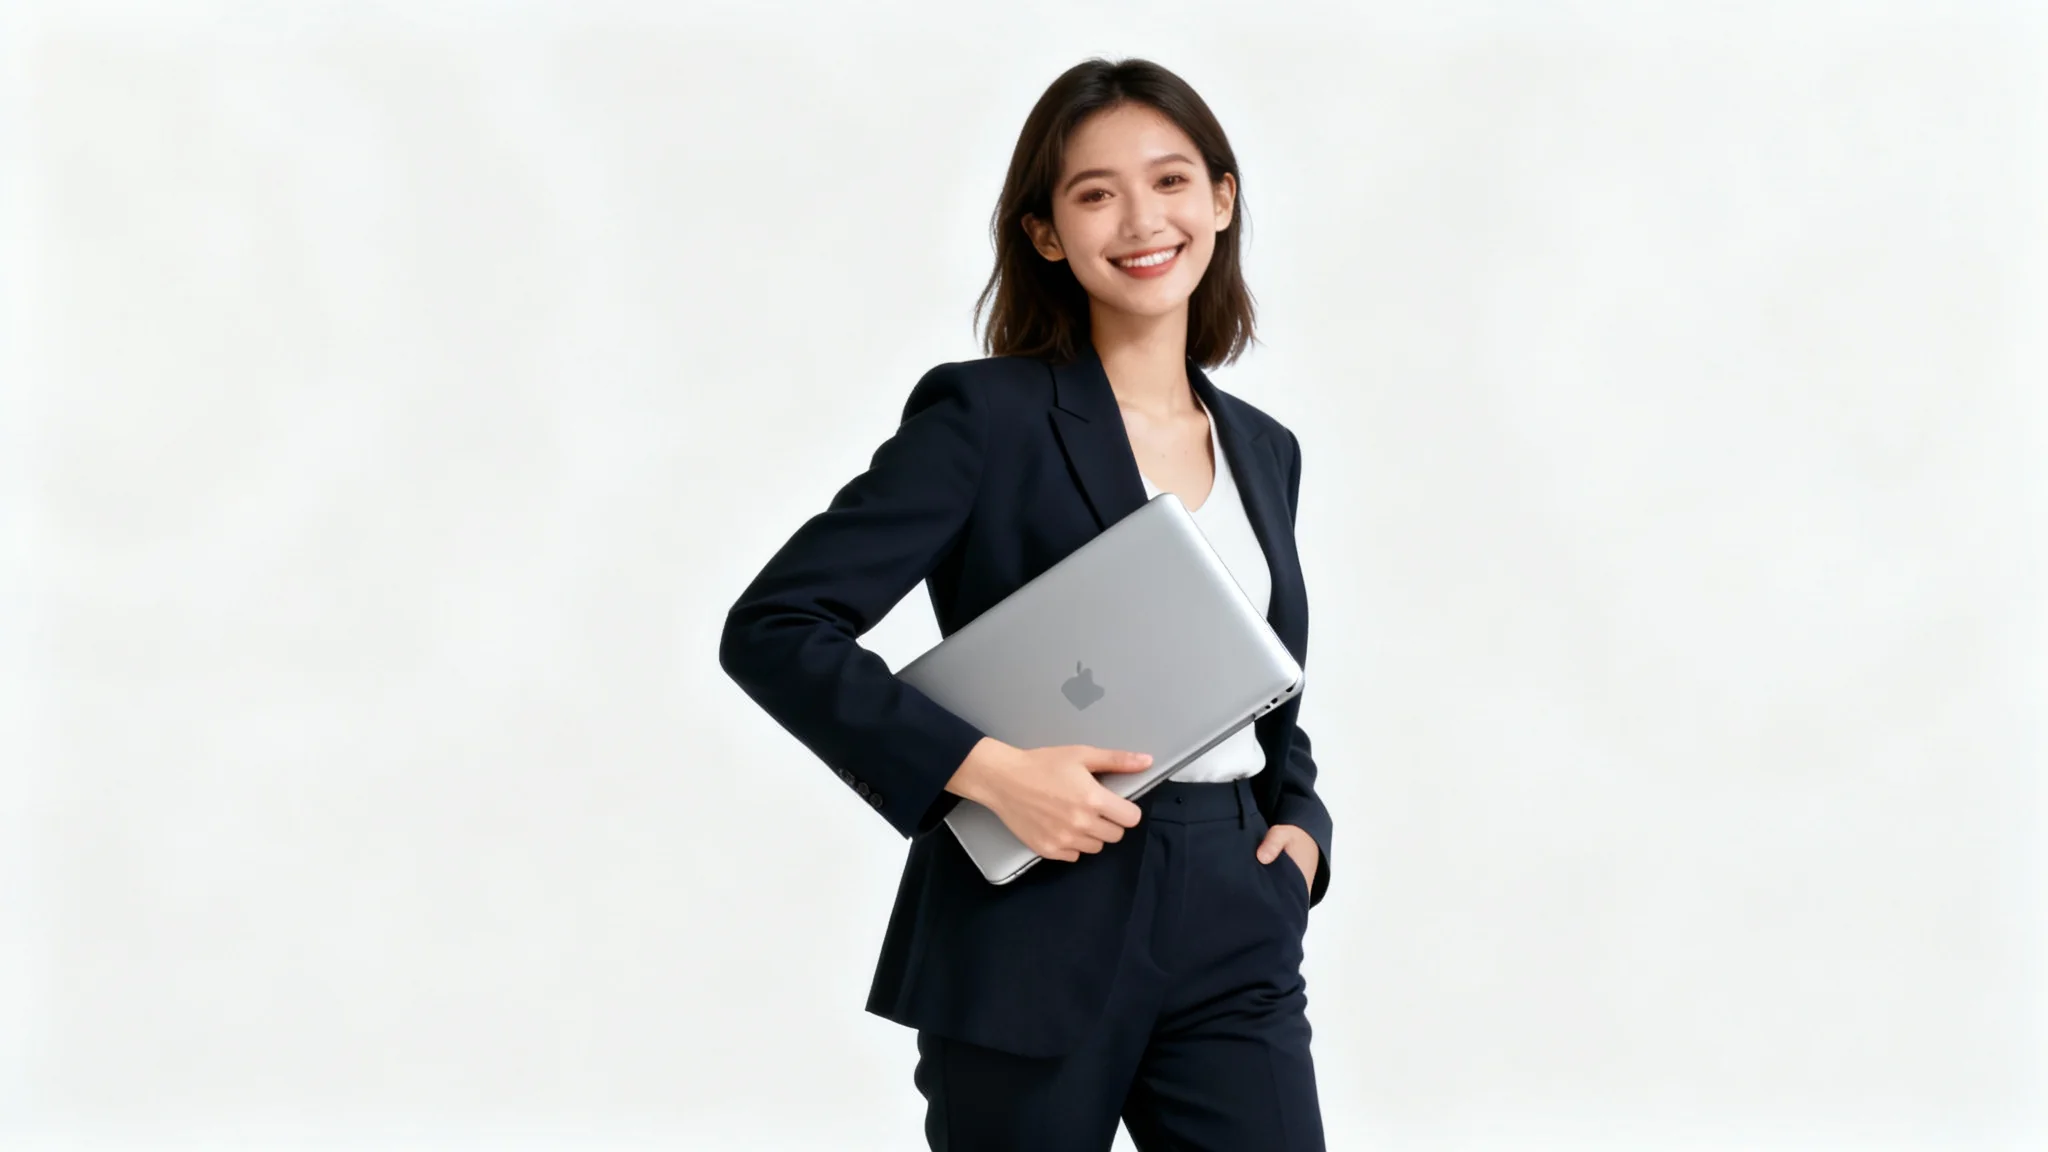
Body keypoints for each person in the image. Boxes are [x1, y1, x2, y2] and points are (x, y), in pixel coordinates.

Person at [718, 56, 1332, 1152]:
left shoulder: (1264, 450)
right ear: (1046, 233)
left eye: (1172, 181)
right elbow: (774, 629)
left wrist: (1298, 827)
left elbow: (1251, 678)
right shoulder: (984, 419)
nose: (1142, 219)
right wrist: (987, 775)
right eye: (1094, 193)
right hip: (1037, 913)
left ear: (1222, 199)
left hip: (1235, 911)